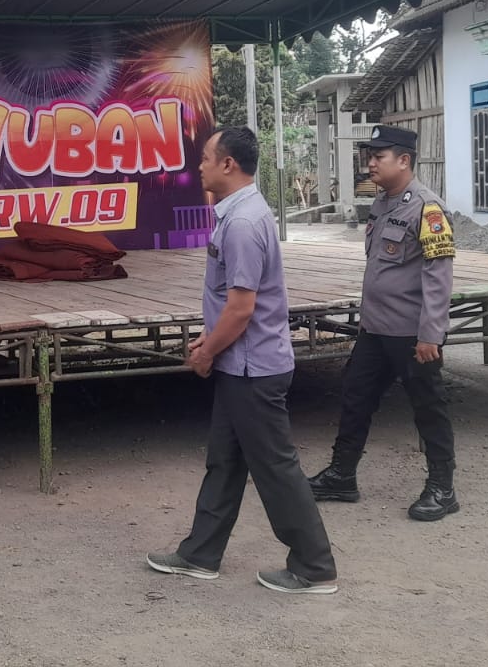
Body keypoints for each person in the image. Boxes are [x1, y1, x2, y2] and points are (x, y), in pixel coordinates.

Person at [146, 126, 339, 595]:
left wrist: (207, 350)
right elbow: (229, 304)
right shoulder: (237, 214)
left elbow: (241, 308)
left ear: (228, 164)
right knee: (225, 461)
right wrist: (210, 340)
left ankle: (314, 567)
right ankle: (200, 554)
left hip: (254, 369)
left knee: (275, 468)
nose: (199, 167)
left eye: (205, 158)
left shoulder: (243, 223)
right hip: (242, 364)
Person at [309, 125, 459, 521]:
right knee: (355, 397)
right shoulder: (382, 203)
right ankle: (342, 475)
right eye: (370, 157)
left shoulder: (427, 209)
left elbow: (438, 278)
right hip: (375, 330)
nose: (371, 164)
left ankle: (442, 488)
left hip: (412, 334)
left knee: (428, 407)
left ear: (404, 160)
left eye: (379, 157)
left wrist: (431, 335)